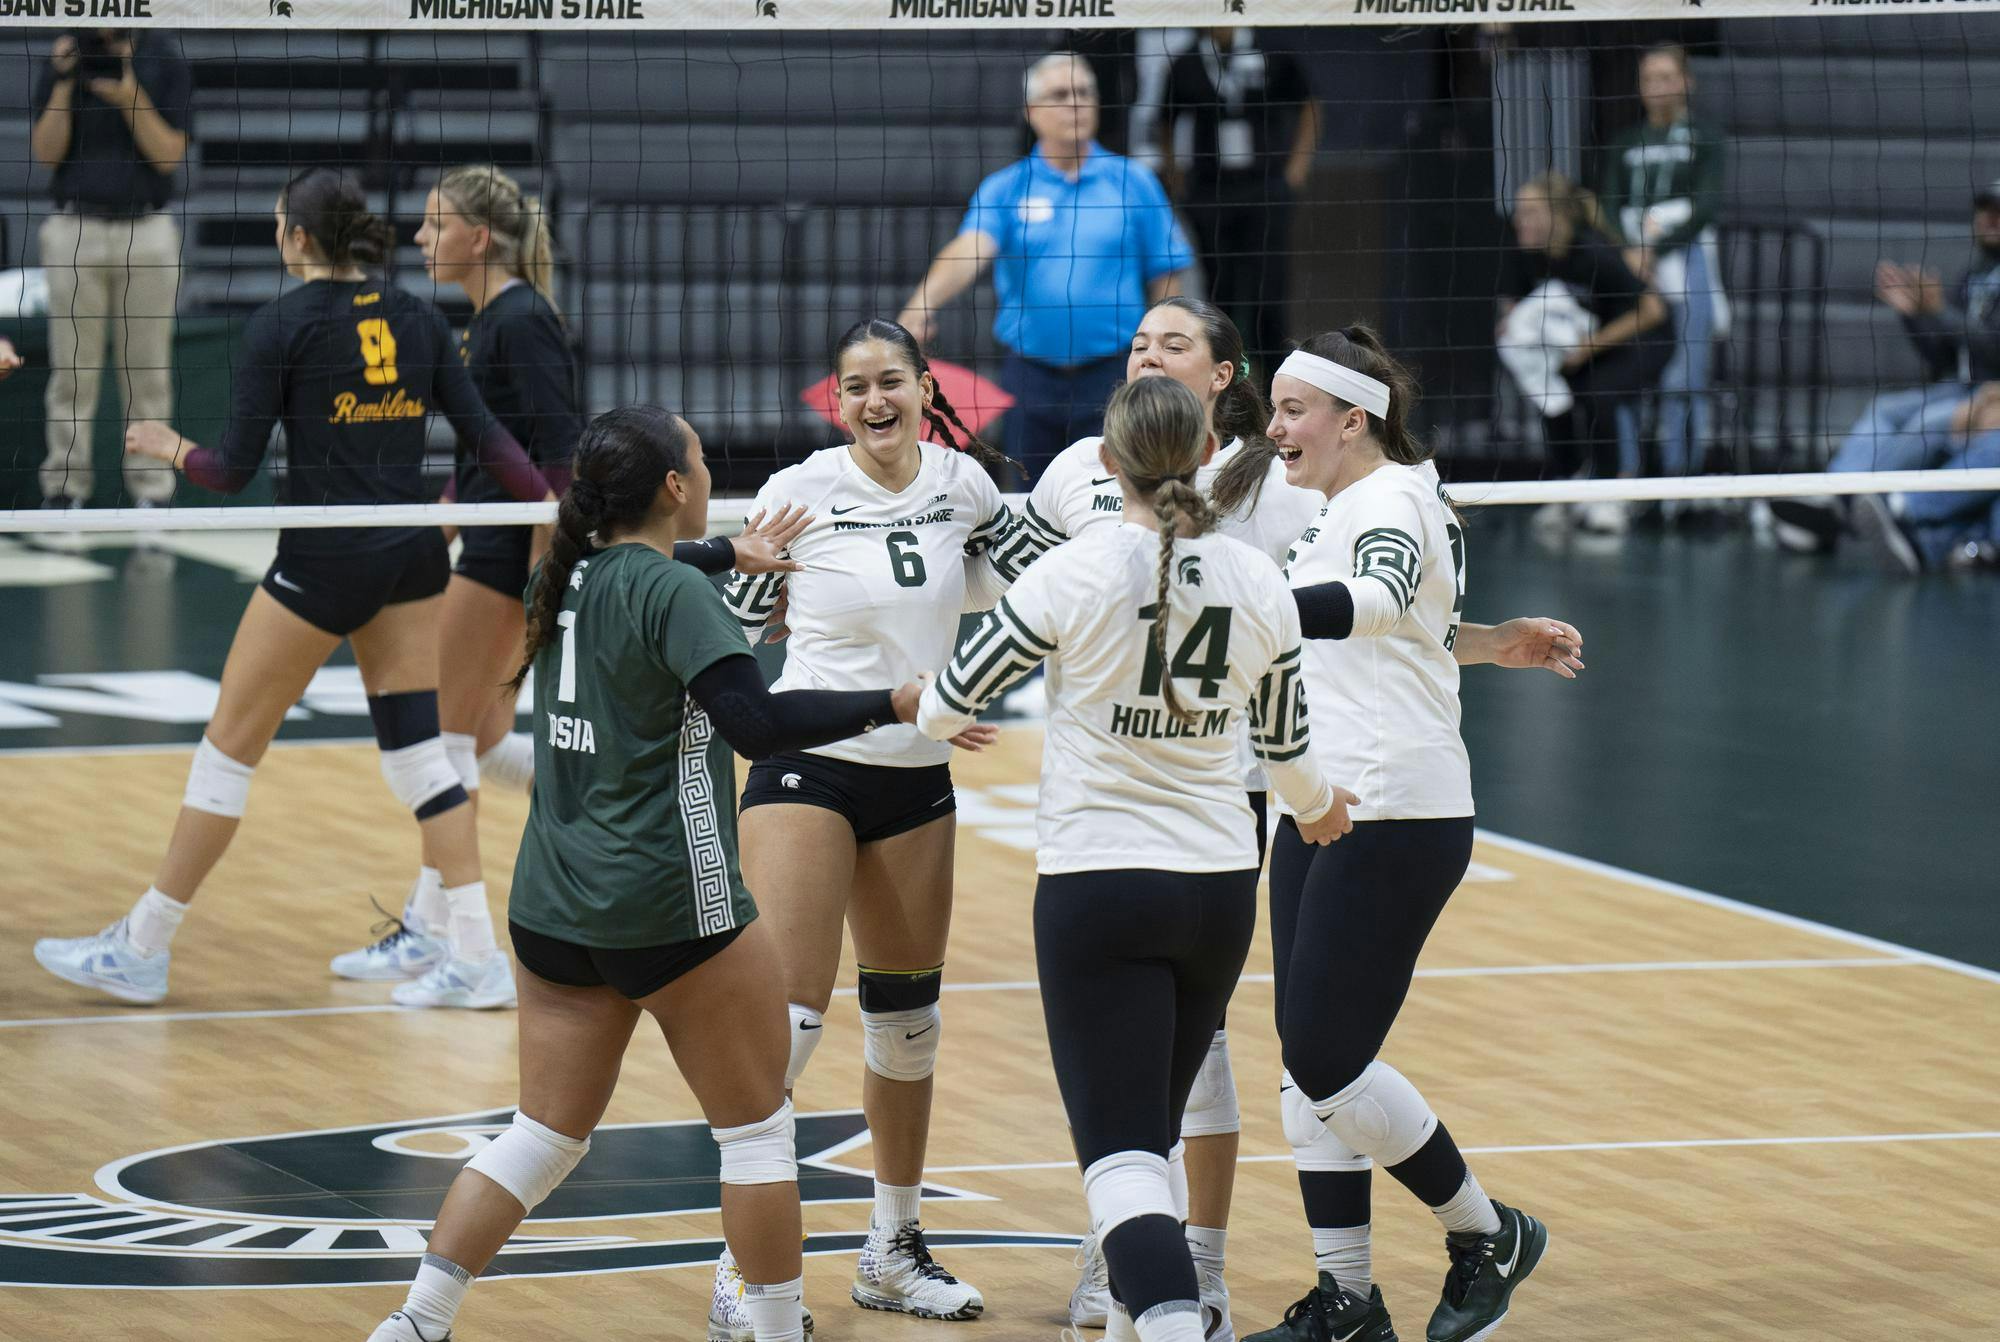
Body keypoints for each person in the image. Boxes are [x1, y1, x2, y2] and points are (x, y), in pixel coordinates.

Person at [364, 406, 966, 1342]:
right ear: (676, 488)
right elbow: (757, 729)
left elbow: (649, 574)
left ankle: (416, 1320)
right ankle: (770, 1329)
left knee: (543, 1135)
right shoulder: (673, 597)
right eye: (697, 461)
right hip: (668, 903)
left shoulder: (565, 578)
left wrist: (732, 555)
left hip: (553, 909)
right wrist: (892, 699)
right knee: (758, 1135)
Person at [32, 168, 555, 1009]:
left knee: (227, 750)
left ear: (300, 240)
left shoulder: (283, 325)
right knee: (422, 756)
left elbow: (229, 469)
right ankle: (474, 953)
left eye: (280, 225)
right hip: (412, 554)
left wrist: (168, 446)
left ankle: (143, 945)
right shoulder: (417, 316)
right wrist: (556, 512)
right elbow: (492, 443)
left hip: (321, 562)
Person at [915, 375, 1356, 1342]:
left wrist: (937, 710)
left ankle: (1167, 1326)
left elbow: (951, 699)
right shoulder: (1259, 583)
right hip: (1217, 892)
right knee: (1149, 1149)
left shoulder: (1072, 571)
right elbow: (1288, 759)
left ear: (1107, 463)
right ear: (1205, 453)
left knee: (1117, 1163)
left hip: (1099, 887)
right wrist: (1323, 815)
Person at [1244, 327, 1581, 1342]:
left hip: (1391, 808)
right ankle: (1345, 1301)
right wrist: (1486, 641)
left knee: (1326, 1059)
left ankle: (1486, 1232)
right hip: (1325, 797)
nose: (1274, 428)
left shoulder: (1385, 500)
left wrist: (1246, 602)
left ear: (1353, 419)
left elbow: (1379, 602)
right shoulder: (1356, 503)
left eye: (1292, 409)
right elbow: (1411, 627)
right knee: (1308, 1066)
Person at [717, 318, 1033, 1325]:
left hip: (915, 774)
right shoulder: (801, 489)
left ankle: (890, 1249)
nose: (873, 401)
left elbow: (1037, 578)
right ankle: (746, 1270)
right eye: (854, 388)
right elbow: (730, 623)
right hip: (808, 763)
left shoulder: (963, 485)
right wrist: (759, 586)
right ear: (836, 401)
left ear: (922, 385)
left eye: (889, 381)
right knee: (790, 1023)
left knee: (907, 1024)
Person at [1019, 295, 1320, 1341]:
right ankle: (1133, 1262)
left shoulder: (1271, 494)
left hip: (1201, 803)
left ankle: (1192, 1264)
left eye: (1174, 342)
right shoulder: (1071, 474)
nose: (1148, 351)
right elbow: (1006, 575)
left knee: (1194, 1063)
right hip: (1164, 816)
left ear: (1220, 379)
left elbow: (1335, 614)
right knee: (1135, 1074)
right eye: (1139, 342)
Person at [897, 52, 1194, 484]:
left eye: (1084, 93)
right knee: (1029, 495)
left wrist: (1159, 355)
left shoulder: (1134, 182)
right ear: (1032, 112)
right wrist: (918, 308)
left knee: (1118, 491)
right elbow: (970, 249)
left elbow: (1166, 274)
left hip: (1114, 372)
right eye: (1060, 95)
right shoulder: (1006, 187)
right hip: (1029, 375)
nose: (1075, 103)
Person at [1771, 183, 2000, 555]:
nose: (1991, 218)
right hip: (1958, 386)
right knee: (1884, 410)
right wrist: (1914, 316)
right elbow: (1944, 357)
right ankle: (1834, 492)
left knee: (1926, 425)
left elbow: (1994, 346)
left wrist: (1939, 311)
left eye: (1999, 212)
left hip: (1990, 394)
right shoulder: (1974, 276)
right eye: (1985, 209)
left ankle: (1852, 505)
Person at [31, 28, 191, 511]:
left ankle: (152, 491)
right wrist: (64, 82)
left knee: (148, 373)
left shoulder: (163, 57)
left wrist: (128, 92)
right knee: (71, 371)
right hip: (74, 228)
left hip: (147, 231)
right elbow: (44, 152)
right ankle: (64, 488)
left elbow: (168, 154)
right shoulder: (64, 55)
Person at [1500, 172, 1670, 536]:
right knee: (1550, 393)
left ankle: (1608, 495)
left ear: (1557, 216)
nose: (1519, 219)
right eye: (1519, 211)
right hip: (1584, 344)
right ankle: (1568, 485)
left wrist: (1589, 348)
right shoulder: (1526, 255)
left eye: (1529, 211)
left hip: (1641, 339)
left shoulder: (1593, 253)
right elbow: (1513, 307)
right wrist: (1512, 327)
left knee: (1598, 391)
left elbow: (1653, 311)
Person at [1598, 43, 1727, 496]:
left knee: (1685, 379)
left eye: (1666, 77)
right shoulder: (1624, 144)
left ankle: (1681, 481)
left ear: (1687, 81)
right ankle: (1626, 478)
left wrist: (1659, 245)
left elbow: (1706, 206)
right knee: (1625, 371)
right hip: (1634, 267)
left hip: (1685, 260)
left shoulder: (1705, 140)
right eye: (1649, 78)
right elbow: (1608, 207)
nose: (1657, 87)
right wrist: (1631, 251)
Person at [1159, 28, 1320, 371]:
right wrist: (1176, 178)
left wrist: (1296, 170)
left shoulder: (1271, 48)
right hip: (1212, 193)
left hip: (1265, 189)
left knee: (1270, 293)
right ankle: (1224, 383)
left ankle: (1278, 380)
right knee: (1221, 293)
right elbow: (1164, 120)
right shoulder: (1188, 60)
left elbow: (1309, 105)